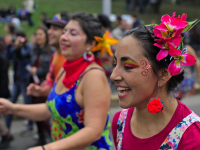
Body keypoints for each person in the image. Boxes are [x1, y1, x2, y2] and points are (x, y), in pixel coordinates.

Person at [0, 12, 114, 150]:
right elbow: (50, 109)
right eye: (64, 31)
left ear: (90, 44)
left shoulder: (93, 75)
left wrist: (45, 148)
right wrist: (12, 108)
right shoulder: (65, 69)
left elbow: (94, 131)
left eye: (73, 33)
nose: (64, 37)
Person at [111, 13, 200, 149]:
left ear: (163, 74)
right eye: (115, 64)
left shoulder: (192, 136)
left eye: (128, 66)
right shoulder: (120, 122)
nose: (113, 76)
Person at [27, 12, 69, 98]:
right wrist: (42, 90)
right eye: (49, 28)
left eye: (55, 28)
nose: (49, 32)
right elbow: (52, 84)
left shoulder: (71, 59)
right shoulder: (54, 56)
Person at [27, 27, 54, 145]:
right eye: (36, 34)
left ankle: (51, 139)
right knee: (36, 114)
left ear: (46, 36)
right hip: (34, 86)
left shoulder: (51, 51)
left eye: (40, 34)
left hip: (45, 86)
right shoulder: (34, 50)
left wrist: (37, 71)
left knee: (46, 114)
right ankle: (42, 138)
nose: (38, 37)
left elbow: (51, 71)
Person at [5, 30, 34, 134]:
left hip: (24, 79)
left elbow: (22, 55)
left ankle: (30, 124)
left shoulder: (28, 47)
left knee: (27, 104)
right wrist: (10, 45)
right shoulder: (14, 47)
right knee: (10, 103)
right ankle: (6, 128)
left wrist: (19, 47)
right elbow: (7, 57)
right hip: (16, 79)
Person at [0, 40, 13, 149]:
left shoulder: (2, 60)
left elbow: (3, 80)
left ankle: (6, 135)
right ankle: (6, 134)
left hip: (1, 91)